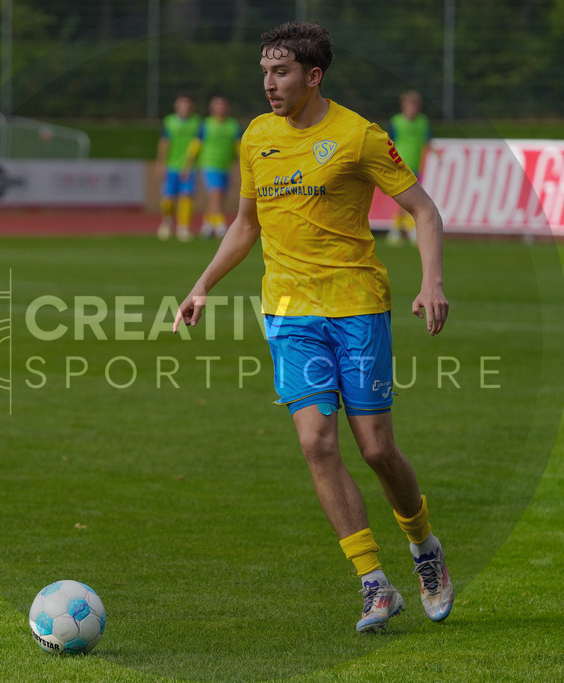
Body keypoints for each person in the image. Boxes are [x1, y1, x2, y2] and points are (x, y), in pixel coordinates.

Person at [173, 21, 453, 633]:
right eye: (265, 73)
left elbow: (423, 209)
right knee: (315, 443)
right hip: (289, 312)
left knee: (377, 449)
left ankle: (424, 549)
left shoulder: (358, 136)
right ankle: (374, 585)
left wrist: (430, 282)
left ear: (313, 76)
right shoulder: (257, 136)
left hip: (357, 305)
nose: (269, 85)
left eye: (281, 73)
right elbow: (247, 224)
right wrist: (202, 286)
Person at [182, 95, 242, 239]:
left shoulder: (233, 125)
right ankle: (221, 227)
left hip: (225, 167)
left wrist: (242, 166)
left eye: (222, 105)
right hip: (209, 165)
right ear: (212, 108)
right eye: (217, 105)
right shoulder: (205, 124)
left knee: (219, 199)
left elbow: (240, 148)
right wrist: (187, 165)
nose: (220, 108)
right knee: (216, 194)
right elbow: (195, 145)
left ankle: (207, 226)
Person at [386, 90, 434, 246]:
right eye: (409, 105)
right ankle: (408, 230)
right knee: (407, 200)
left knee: (408, 201)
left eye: (415, 106)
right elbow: (388, 143)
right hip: (399, 166)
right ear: (403, 106)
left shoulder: (423, 122)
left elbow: (428, 141)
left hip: (416, 166)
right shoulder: (396, 122)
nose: (412, 109)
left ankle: (398, 230)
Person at [156, 94, 202, 241]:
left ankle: (183, 227)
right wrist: (161, 162)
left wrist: (188, 165)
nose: (185, 107)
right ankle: (167, 221)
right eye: (182, 104)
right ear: (176, 106)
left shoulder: (197, 122)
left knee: (186, 197)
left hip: (189, 167)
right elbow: (164, 143)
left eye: (188, 105)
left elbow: (197, 144)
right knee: (167, 199)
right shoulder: (169, 121)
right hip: (171, 166)